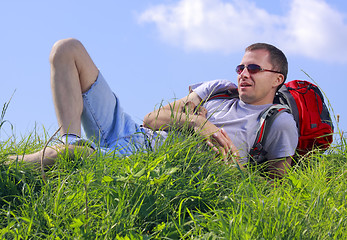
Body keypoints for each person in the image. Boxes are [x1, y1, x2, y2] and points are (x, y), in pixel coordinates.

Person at [10, 38, 298, 178]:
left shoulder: (275, 122)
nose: (243, 73)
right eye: (241, 67)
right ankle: (66, 139)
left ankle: (8, 167)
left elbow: (273, 186)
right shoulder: (219, 89)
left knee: (73, 155)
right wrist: (198, 124)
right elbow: (151, 119)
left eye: (254, 68)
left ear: (277, 79)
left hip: (150, 157)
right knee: (66, 49)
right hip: (132, 131)